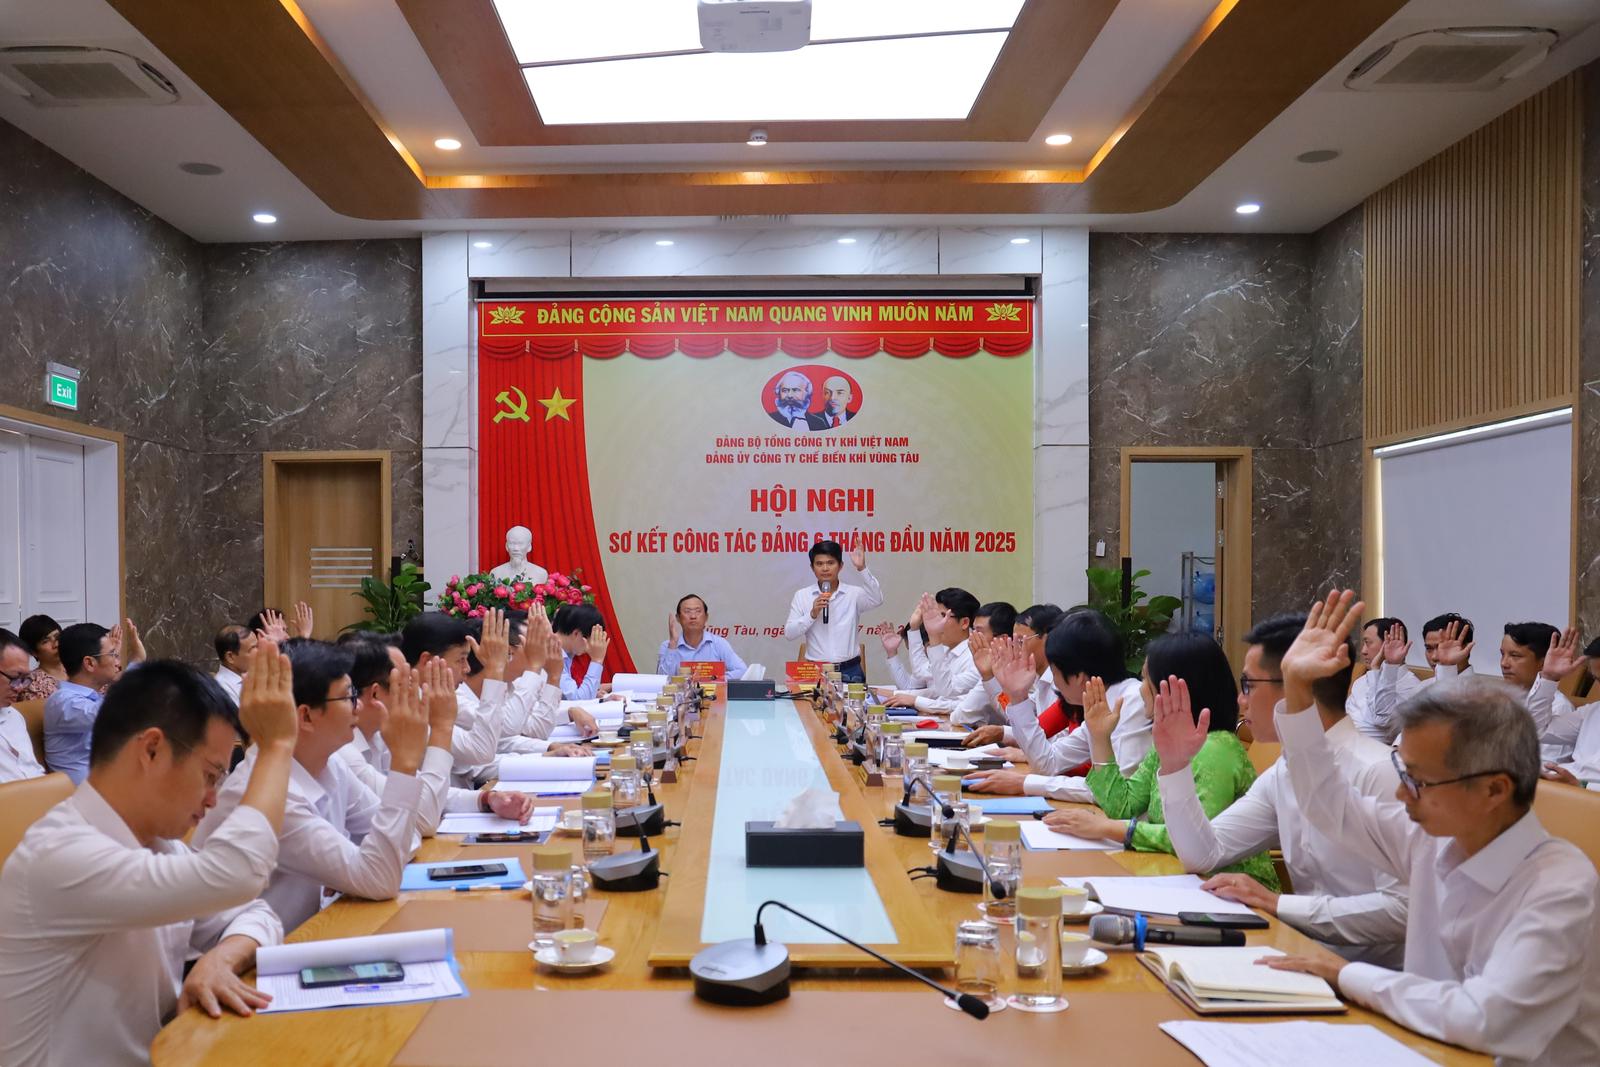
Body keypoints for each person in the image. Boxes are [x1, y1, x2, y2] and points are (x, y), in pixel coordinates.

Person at [1262, 590, 1600, 1065]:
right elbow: (1329, 805)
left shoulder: (1561, 888)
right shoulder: (1432, 838)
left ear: (1494, 790)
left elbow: (1485, 1020)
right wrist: (1298, 692)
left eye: (1418, 781)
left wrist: (1346, 974)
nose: (1403, 795)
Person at [0, 644, 299, 1067]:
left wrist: (219, 959)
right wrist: (276, 747)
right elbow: (238, 874)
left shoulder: (158, 842)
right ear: (152, 750)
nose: (213, 798)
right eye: (210, 775)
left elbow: (256, 912)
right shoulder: (63, 855)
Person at [1152, 613, 1407, 966]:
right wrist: (1175, 765)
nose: (1240, 700)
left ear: (1295, 686)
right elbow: (1203, 854)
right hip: (1300, 955)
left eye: (1248, 685)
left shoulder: (1378, 771)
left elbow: (1402, 912)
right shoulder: (1283, 772)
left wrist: (1277, 904)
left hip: (1369, 977)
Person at [194, 640, 452, 931]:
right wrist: (404, 764)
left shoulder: (331, 764)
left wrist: (355, 864)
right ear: (305, 716)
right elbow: (380, 877)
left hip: (306, 935)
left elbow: (410, 835)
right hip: (254, 953)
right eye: (348, 696)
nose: (358, 706)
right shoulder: (268, 791)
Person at [1035, 632, 1277, 889]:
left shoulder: (1217, 750)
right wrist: (1100, 739)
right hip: (1179, 879)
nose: (1140, 690)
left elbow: (1195, 841)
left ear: (1177, 690)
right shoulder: (1166, 744)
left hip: (1234, 893)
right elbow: (1123, 806)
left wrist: (1110, 829)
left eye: (1146, 680)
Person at [965, 610, 1150, 799]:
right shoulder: (1099, 701)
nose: (1055, 681)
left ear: (1078, 676)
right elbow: (1047, 763)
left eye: (1054, 672)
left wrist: (1027, 783)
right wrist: (1017, 696)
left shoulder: (1133, 702)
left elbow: (1120, 794)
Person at [43, 619, 145, 784]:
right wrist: (136, 662)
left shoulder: (95, 697)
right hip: (85, 795)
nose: (118, 663)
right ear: (89, 663)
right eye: (113, 655)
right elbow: (109, 713)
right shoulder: (61, 701)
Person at [782, 537, 881, 685]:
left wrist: (862, 568)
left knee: (855, 702)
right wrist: (812, 614)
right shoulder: (802, 596)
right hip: (815, 670)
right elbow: (789, 633)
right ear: (812, 567)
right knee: (807, 702)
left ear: (840, 566)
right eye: (819, 564)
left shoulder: (853, 594)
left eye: (830, 563)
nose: (825, 568)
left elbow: (877, 599)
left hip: (850, 670)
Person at [956, 603, 1061, 732]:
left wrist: (1003, 733)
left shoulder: (1059, 682)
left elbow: (1042, 735)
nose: (1015, 648)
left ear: (1047, 639)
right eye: (1014, 641)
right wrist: (988, 675)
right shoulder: (1040, 679)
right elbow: (1015, 718)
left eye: (1020, 641)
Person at [881, 589, 981, 714]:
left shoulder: (976, 655)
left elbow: (947, 691)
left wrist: (914, 700)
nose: (938, 622)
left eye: (943, 616)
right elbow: (921, 673)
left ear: (964, 623)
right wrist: (914, 628)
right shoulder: (945, 649)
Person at [1346, 617, 1422, 742]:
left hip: (1372, 750)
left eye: (1368, 643)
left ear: (1389, 643)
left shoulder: (1413, 687)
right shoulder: (1362, 681)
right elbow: (1346, 717)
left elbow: (1381, 720)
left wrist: (1379, 670)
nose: (1363, 651)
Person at [658, 594, 747, 677]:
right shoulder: (668, 646)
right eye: (687, 611)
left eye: (698, 611)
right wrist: (673, 643)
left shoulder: (718, 644)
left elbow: (742, 671)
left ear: (706, 617)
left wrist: (714, 679)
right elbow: (661, 680)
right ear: (678, 618)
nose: (693, 616)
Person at [0, 628, 44, 782]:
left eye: (24, 679)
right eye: (15, 677)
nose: (20, 688)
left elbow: (33, 770)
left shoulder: (13, 716)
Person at [551, 603, 613, 700]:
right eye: (592, 639)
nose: (592, 646)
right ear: (576, 634)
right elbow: (578, 700)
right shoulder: (551, 653)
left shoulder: (564, 653)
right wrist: (597, 660)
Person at [15, 615, 65, 703]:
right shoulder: (32, 685)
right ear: (33, 652)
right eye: (46, 641)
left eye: (57, 636)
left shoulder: (80, 668)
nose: (56, 644)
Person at [213, 624, 256, 706]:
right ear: (230, 657)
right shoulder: (222, 688)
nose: (258, 653)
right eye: (252, 649)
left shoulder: (252, 676)